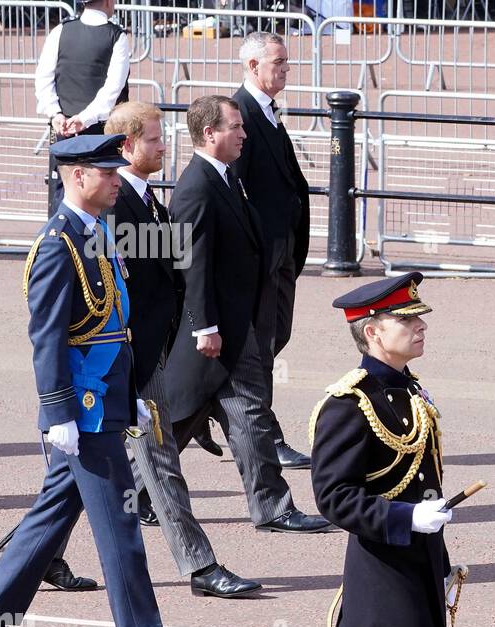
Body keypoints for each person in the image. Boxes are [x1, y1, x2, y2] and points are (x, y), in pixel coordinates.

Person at [0, 134, 206, 627]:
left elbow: (114, 327)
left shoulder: (96, 233)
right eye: (108, 173)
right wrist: (58, 413)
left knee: (51, 516)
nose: (119, 180)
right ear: (77, 177)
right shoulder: (57, 244)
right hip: (82, 412)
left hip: (105, 400)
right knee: (120, 526)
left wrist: (132, 395)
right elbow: (47, 338)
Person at [108, 101, 264, 596]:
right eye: (154, 140)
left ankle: (46, 550)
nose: (164, 145)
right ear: (127, 146)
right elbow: (115, 289)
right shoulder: (116, 205)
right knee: (158, 461)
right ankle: (199, 566)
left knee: (90, 475)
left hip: (154, 354)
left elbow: (177, 271)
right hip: (129, 359)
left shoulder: (149, 199)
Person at [162, 95, 331, 534]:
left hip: (237, 325)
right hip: (221, 331)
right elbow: (192, 265)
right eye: (235, 127)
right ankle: (270, 506)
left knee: (207, 417)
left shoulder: (223, 177)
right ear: (209, 134)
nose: (243, 134)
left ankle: (140, 489)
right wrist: (207, 327)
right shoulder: (196, 187)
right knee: (237, 415)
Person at [308, 273, 462, 627]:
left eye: (419, 318)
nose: (420, 326)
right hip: (383, 570)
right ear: (372, 331)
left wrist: (438, 557)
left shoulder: (410, 390)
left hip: (414, 561)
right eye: (406, 319)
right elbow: (333, 496)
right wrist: (407, 518)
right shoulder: (349, 403)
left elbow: (421, 475)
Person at [232, 31, 313, 470]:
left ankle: (225, 408)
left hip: (281, 252)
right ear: (253, 66)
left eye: (286, 62)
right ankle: (265, 435)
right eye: (277, 62)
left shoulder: (265, 110)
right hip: (261, 255)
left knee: (274, 337)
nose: (284, 69)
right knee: (259, 347)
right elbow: (234, 190)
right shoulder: (239, 113)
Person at [34, 0, 130, 217]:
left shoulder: (61, 30)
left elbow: (43, 78)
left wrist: (55, 113)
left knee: (62, 190)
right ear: (108, 1)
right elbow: (113, 88)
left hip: (62, 129)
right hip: (99, 132)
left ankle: (60, 245)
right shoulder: (117, 36)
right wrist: (85, 118)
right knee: (102, 193)